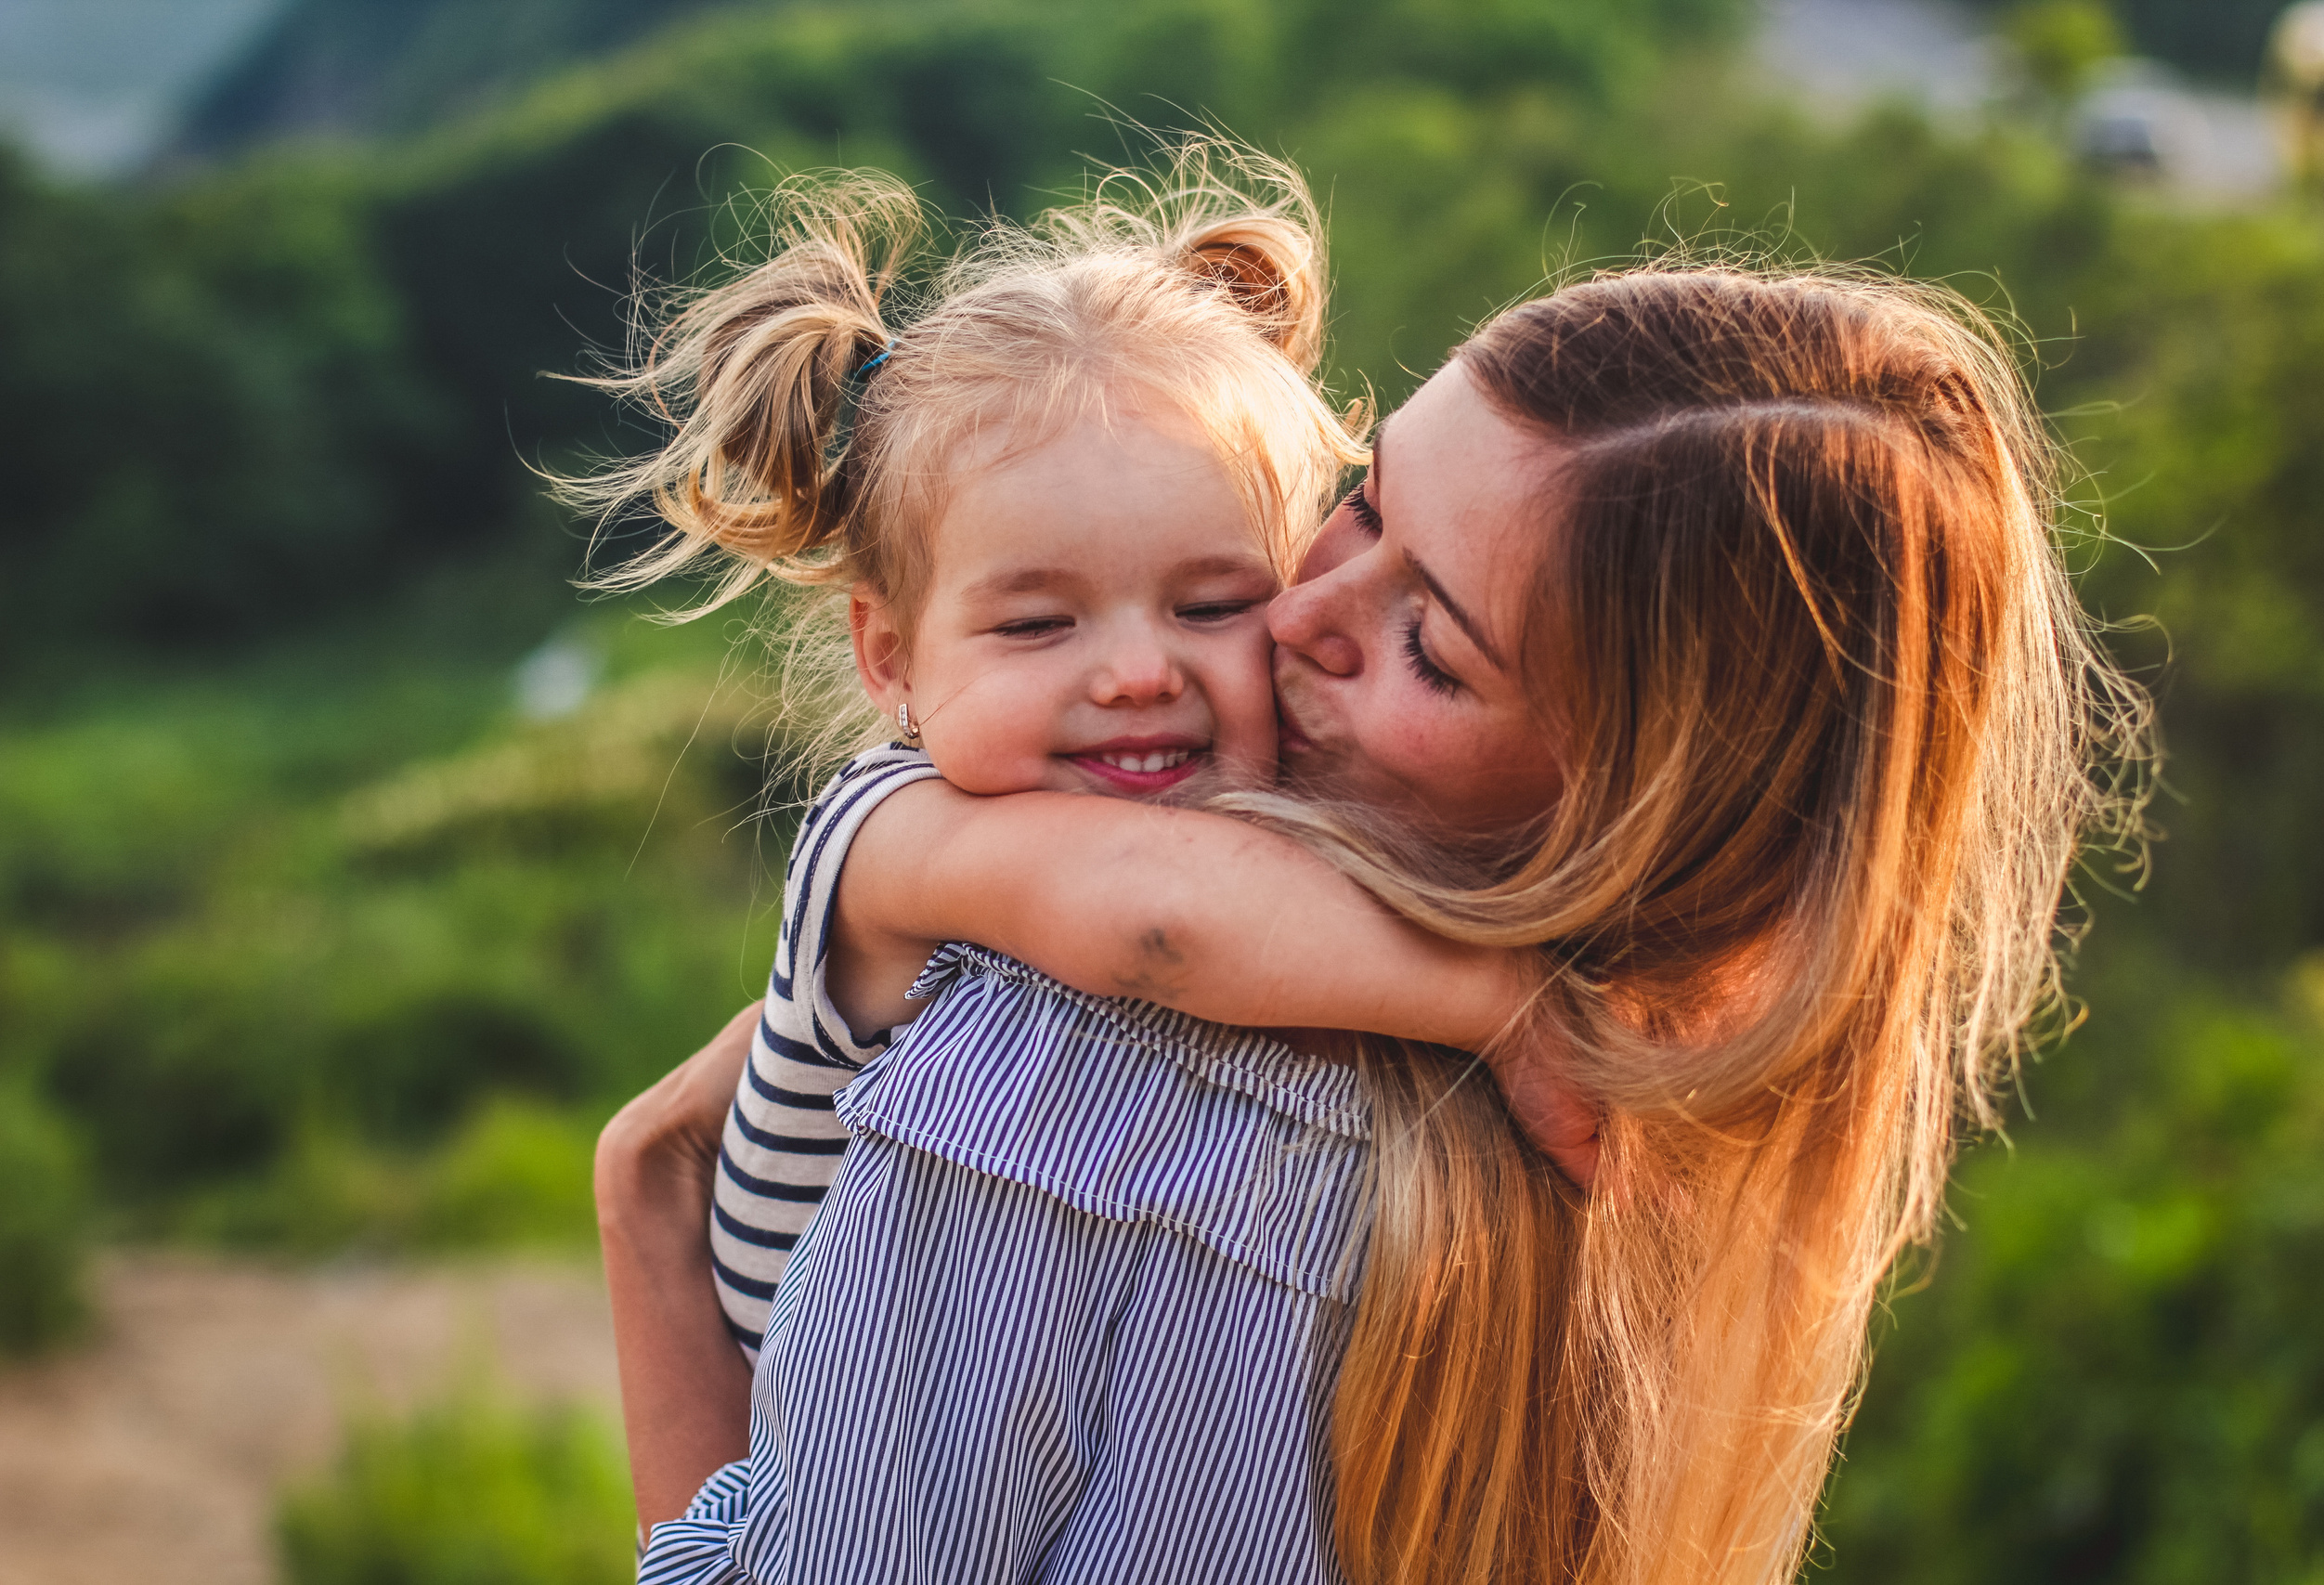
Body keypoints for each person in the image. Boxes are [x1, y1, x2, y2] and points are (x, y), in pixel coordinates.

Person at [595, 171, 2147, 1585]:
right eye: (1364, 507)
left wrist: (647, 1206)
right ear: (891, 656)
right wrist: (1507, 1001)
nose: (1286, 621)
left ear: (1637, 802)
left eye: (1429, 643)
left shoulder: (1082, 1069)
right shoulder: (1682, 1168)